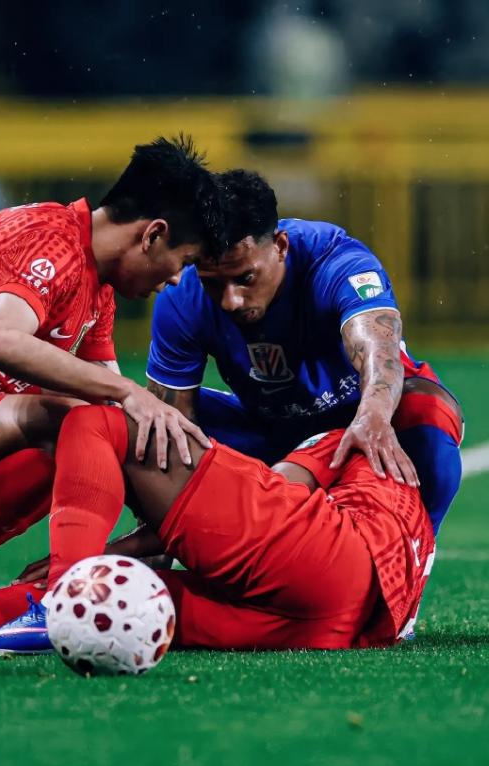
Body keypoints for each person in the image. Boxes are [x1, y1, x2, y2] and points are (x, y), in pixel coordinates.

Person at [0, 136, 222, 613]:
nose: (175, 279)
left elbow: (115, 422)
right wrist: (128, 390)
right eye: (184, 262)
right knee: (67, 420)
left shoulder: (96, 283)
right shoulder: (50, 239)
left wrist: (151, 527)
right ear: (152, 235)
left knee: (95, 428)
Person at [0, 397, 437, 655]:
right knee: (110, 601)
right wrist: (114, 557)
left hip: (335, 560)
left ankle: (36, 585)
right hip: (337, 629)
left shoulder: (350, 435)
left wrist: (108, 550)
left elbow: (281, 491)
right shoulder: (408, 489)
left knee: (97, 423)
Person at [146, 170, 463, 534]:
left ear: (280, 246)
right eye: (213, 283)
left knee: (427, 411)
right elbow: (171, 428)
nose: (231, 301)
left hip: (360, 420)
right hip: (272, 428)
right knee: (151, 422)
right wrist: (162, 526)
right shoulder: (182, 294)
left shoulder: (336, 260)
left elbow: (379, 348)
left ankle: (417, 546)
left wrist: (373, 415)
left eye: (245, 278)